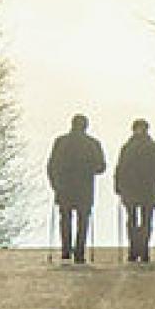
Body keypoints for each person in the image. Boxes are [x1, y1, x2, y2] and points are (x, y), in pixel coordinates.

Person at [46, 113, 106, 263]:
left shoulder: (60, 142)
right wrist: (89, 168)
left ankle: (66, 250)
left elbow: (51, 166)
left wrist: (55, 184)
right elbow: (101, 167)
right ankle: (79, 252)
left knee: (65, 218)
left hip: (64, 188)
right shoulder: (93, 143)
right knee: (83, 219)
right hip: (84, 188)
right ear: (86, 126)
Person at [114, 118, 155, 263]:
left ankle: (136, 250)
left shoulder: (127, 147)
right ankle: (141, 250)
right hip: (148, 189)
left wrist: (119, 186)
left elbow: (120, 169)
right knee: (144, 220)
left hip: (131, 190)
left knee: (135, 220)